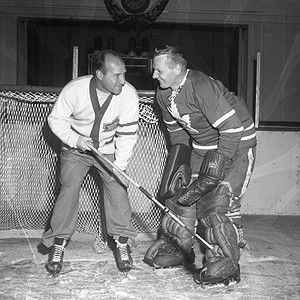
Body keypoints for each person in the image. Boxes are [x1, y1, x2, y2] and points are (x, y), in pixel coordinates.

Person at [144, 45, 257, 286]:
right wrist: (178, 165)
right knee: (180, 198)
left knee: (215, 203)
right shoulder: (163, 94)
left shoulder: (201, 86)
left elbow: (232, 130)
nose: (154, 75)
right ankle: (178, 248)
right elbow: (178, 136)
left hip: (236, 145)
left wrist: (212, 173)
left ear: (177, 68)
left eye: (159, 70)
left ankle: (224, 259)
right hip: (203, 146)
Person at [41, 50, 139, 276]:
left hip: (106, 150)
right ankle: (58, 246)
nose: (123, 80)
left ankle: (122, 244)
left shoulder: (128, 94)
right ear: (99, 74)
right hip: (75, 149)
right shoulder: (74, 90)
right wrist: (76, 140)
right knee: (69, 190)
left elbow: (127, 133)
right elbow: (56, 120)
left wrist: (119, 167)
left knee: (117, 189)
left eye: (124, 74)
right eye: (116, 75)